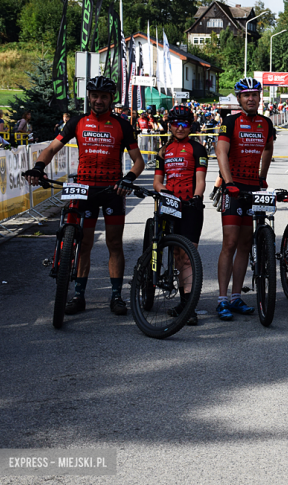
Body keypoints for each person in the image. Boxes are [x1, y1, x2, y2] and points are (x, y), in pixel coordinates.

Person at [24, 75, 145, 315]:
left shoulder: (121, 125)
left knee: (114, 244)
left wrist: (129, 178)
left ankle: (116, 296)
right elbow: (51, 148)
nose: (98, 100)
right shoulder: (77, 122)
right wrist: (39, 167)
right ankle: (78, 295)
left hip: (112, 191)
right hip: (85, 190)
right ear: (88, 97)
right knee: (85, 244)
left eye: (104, 96)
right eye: (94, 96)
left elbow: (138, 160)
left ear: (111, 98)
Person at [214, 77, 275, 321]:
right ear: (238, 99)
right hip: (234, 187)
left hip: (253, 188)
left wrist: (263, 177)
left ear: (260, 97)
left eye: (255, 94)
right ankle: (221, 299)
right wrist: (228, 183)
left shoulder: (266, 123)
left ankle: (236, 296)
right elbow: (221, 151)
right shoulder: (230, 122)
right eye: (246, 95)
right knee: (229, 242)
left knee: (245, 244)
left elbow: (268, 148)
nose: (251, 98)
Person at [153, 105, 208, 326]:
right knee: (177, 254)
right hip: (169, 206)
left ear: (191, 125)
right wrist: (162, 190)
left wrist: (196, 196)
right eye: (175, 123)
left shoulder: (198, 149)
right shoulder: (163, 151)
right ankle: (184, 303)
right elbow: (157, 181)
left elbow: (201, 179)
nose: (180, 128)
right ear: (170, 125)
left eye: (185, 123)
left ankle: (189, 307)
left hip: (190, 206)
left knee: (188, 256)